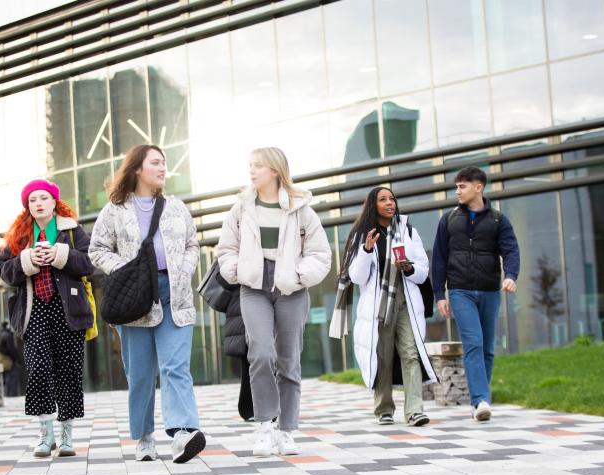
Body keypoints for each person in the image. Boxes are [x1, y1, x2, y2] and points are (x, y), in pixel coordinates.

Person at [88, 144, 206, 464]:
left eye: (164, 163)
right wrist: (124, 271)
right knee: (140, 373)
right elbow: (97, 249)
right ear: (137, 168)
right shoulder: (115, 209)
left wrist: (183, 270)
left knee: (175, 366)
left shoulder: (176, 207)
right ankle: (143, 437)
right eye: (155, 162)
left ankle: (183, 433)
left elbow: (192, 244)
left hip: (174, 294)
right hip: (134, 297)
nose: (162, 168)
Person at [217, 147, 331, 457]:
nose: (252, 171)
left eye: (258, 166)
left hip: (290, 288)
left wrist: (298, 275)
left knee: (288, 359)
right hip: (253, 287)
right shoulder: (241, 208)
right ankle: (265, 426)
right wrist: (236, 270)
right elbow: (225, 248)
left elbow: (320, 254)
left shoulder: (301, 208)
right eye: (250, 165)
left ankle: (287, 430)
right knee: (261, 354)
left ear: (276, 171)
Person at [0, 178, 94, 458]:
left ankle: (66, 434)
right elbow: (3, 270)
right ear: (27, 206)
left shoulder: (71, 230)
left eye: (43, 198)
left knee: (69, 372)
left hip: (69, 311)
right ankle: (45, 432)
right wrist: (27, 260)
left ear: (54, 202)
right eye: (32, 200)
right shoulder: (18, 235)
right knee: (38, 369)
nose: (38, 204)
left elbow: (90, 263)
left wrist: (60, 255)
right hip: (34, 310)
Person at [329, 187, 438, 426]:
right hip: (378, 305)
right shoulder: (362, 234)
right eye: (383, 199)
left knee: (410, 353)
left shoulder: (408, 231)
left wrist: (408, 268)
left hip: (406, 301)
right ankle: (384, 409)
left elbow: (422, 270)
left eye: (392, 198)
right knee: (383, 356)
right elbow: (357, 277)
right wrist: (367, 249)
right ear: (373, 205)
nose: (390, 203)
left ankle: (415, 411)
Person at [431, 167, 520, 421]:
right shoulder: (448, 220)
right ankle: (480, 400)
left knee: (488, 349)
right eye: (457, 187)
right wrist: (440, 294)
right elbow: (439, 259)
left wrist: (511, 276)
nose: (457, 191)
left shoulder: (497, 220)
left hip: (490, 290)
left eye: (462, 186)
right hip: (460, 291)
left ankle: (479, 401)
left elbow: (511, 251)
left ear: (478, 187)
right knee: (474, 344)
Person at [221, 288, 253, 421]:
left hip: (243, 304)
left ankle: (250, 409)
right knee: (249, 361)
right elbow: (222, 277)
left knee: (254, 360)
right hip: (242, 304)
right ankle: (249, 409)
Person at [0, 321, 23, 397]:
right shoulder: (8, 335)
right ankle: (12, 395)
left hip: (2, 360)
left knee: (6, 378)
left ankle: (7, 395)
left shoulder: (0, 335)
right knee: (12, 378)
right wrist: (18, 359)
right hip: (9, 360)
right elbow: (11, 349)